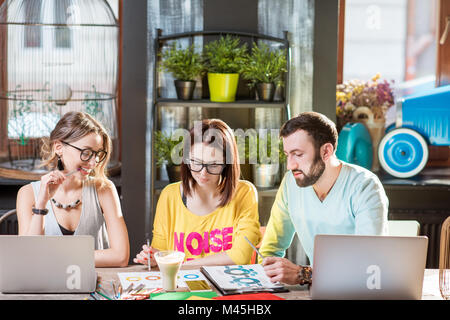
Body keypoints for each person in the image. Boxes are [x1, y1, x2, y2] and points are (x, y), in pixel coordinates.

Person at [259, 111, 389, 285]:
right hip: (317, 290)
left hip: (360, 292)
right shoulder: (291, 182)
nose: (290, 165)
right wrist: (267, 275)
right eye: (287, 155)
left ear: (326, 151)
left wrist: (304, 274)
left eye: (298, 154)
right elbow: (270, 250)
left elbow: (369, 264)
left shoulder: (365, 186)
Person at [134, 119, 261, 267]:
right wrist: (153, 257)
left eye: (213, 164)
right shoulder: (169, 196)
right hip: (183, 287)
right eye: (196, 162)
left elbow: (240, 257)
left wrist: (177, 265)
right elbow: (162, 254)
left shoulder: (244, 193)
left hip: (229, 287)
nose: (203, 172)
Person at [16, 111, 130, 267]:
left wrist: (58, 257)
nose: (93, 162)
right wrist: (41, 204)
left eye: (97, 154)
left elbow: (120, 256)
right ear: (59, 147)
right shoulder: (27, 194)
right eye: (86, 153)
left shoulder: (104, 189)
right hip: (46, 288)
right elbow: (27, 258)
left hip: (96, 287)